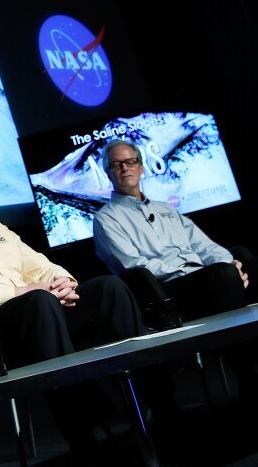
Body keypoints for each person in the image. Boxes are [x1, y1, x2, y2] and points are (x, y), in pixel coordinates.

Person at [0, 142, 182, 465]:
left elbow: (42, 267)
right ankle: (82, 435)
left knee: (109, 288)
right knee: (38, 300)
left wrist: (63, 283)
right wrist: (20, 291)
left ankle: (164, 406)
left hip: (42, 312)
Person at [92, 138, 258, 400]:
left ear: (142, 166)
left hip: (205, 279)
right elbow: (134, 267)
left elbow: (205, 246)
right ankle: (248, 373)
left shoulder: (166, 209)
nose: (125, 168)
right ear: (107, 172)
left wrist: (231, 264)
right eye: (116, 164)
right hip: (164, 293)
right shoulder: (106, 219)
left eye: (131, 161)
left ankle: (247, 366)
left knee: (244, 261)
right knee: (222, 277)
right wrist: (203, 270)